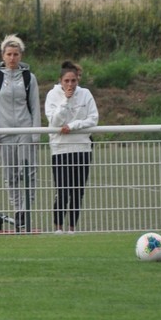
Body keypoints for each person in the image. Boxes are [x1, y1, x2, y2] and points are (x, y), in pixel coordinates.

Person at [0, 34, 41, 231]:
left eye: (16, 54)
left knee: (29, 171)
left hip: (25, 130)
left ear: (21, 55)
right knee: (10, 175)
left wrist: (35, 134)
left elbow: (35, 106)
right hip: (4, 132)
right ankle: (17, 209)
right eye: (9, 54)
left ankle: (25, 210)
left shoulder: (29, 78)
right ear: (3, 55)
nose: (12, 58)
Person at [45, 61, 99, 233]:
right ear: (60, 81)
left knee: (77, 191)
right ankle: (58, 227)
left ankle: (72, 228)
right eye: (66, 81)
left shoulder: (86, 94)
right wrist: (65, 102)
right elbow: (54, 121)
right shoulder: (53, 95)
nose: (70, 84)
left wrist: (74, 125)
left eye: (73, 81)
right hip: (60, 149)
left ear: (78, 80)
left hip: (82, 148)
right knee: (62, 190)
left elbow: (93, 119)